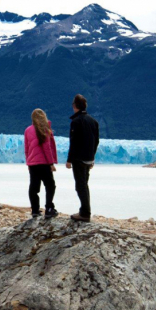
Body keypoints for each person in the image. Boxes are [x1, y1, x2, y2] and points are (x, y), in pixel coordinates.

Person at [66, 94, 99, 222]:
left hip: (78, 159)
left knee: (80, 186)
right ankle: (84, 210)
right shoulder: (93, 121)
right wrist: (92, 157)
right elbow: (96, 141)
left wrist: (69, 160)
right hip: (89, 158)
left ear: (75, 106)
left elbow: (74, 142)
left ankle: (85, 213)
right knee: (84, 185)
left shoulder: (76, 122)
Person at [24, 109, 58, 219]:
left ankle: (34, 210)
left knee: (34, 187)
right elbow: (47, 148)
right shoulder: (45, 130)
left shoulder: (28, 130)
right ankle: (49, 208)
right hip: (44, 163)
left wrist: (28, 162)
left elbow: (27, 149)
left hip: (33, 164)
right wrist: (51, 163)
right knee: (50, 185)